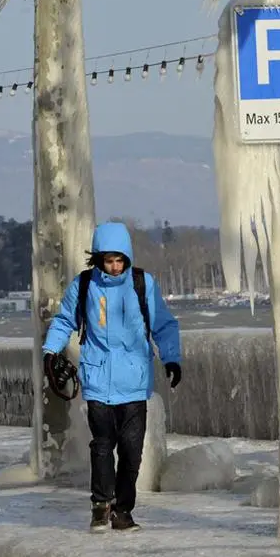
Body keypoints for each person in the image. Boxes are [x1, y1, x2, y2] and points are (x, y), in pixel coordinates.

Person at [42, 221, 183, 532]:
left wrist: (172, 358)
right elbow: (65, 320)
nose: (115, 266)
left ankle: (123, 511)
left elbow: (163, 324)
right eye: (109, 260)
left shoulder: (142, 284)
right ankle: (100, 504)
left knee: (132, 452)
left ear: (128, 257)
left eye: (120, 260)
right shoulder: (83, 286)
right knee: (103, 446)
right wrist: (50, 353)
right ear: (99, 259)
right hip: (98, 380)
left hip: (134, 383)